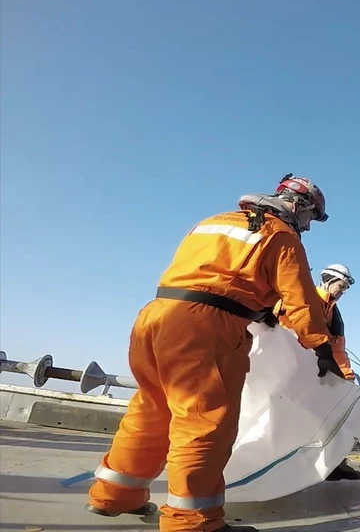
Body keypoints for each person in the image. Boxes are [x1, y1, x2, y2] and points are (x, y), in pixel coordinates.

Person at [86, 174, 345, 532]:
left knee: (151, 410)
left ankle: (115, 494)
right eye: (310, 219)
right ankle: (193, 522)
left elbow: (216, 275)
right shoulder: (281, 236)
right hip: (206, 328)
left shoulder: (212, 223)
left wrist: (260, 308)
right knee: (204, 424)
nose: (308, 228)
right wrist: (321, 347)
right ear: (299, 206)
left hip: (156, 318)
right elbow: (301, 302)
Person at [273, 263, 356, 381]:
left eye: (345, 289)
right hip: (279, 360)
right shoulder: (301, 297)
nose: (342, 292)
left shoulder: (334, 317)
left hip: (308, 371)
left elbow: (337, 349)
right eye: (341, 286)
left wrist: (347, 376)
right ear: (328, 281)